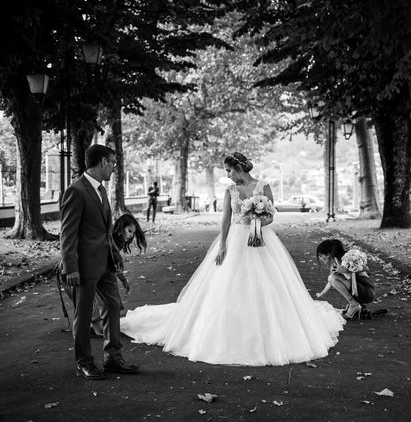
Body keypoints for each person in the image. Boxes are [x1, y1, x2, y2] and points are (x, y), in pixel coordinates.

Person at [121, 152, 345, 366]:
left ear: (239, 168)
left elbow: (271, 215)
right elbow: (226, 221)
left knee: (268, 284)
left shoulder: (263, 186)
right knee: (227, 284)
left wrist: (258, 222)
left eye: (229, 170)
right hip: (236, 240)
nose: (228, 175)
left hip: (262, 240)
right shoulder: (230, 191)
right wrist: (222, 246)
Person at [60, 144, 140, 380]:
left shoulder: (102, 191)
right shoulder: (76, 191)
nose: (114, 168)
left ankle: (113, 357)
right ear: (103, 162)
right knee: (83, 316)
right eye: (113, 163)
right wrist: (70, 268)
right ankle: (84, 362)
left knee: (113, 306)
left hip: (105, 264)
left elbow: (105, 232)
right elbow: (67, 234)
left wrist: (115, 260)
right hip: (83, 267)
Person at [91, 213, 147, 337]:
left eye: (133, 232)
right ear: (121, 228)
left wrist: (123, 280)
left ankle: (98, 324)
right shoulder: (108, 238)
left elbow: (114, 265)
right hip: (87, 270)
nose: (131, 235)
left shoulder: (119, 241)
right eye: (129, 231)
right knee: (96, 299)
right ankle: (93, 326)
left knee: (110, 300)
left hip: (102, 271)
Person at [315, 239, 375, 320]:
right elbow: (331, 281)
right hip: (356, 290)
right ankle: (355, 305)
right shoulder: (336, 263)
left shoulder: (349, 258)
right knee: (332, 277)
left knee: (333, 277)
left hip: (366, 291)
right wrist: (322, 293)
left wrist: (346, 270)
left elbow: (365, 268)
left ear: (329, 253)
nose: (321, 258)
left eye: (322, 255)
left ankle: (354, 304)